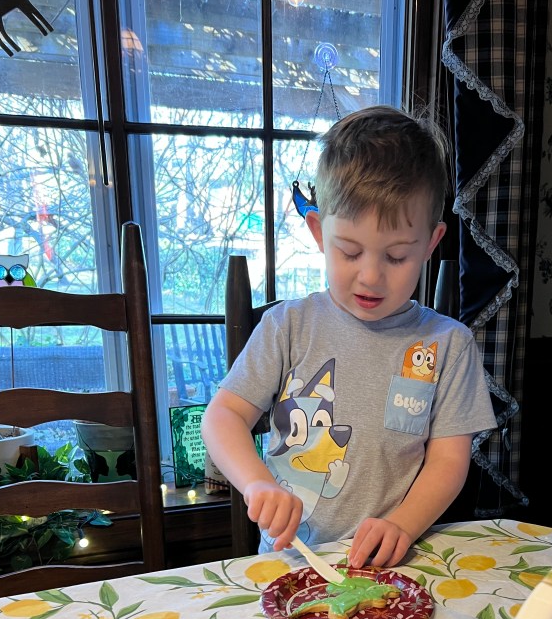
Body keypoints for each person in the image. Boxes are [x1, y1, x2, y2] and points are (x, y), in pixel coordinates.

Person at [202, 104, 497, 569]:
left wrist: (402, 524)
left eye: (396, 257)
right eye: (350, 252)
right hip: (291, 561)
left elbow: (448, 462)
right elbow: (223, 417)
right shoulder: (287, 326)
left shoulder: (449, 344)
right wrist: (256, 483)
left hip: (394, 562)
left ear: (430, 243)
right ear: (319, 232)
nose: (371, 277)